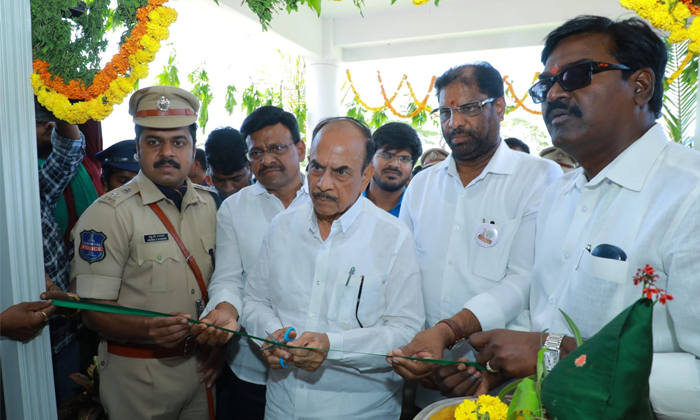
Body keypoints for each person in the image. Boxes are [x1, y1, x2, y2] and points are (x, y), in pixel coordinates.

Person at [441, 16, 700, 419]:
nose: (555, 95)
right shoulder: (559, 195)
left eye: (576, 75)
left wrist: (560, 359)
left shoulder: (689, 196)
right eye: (546, 86)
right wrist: (500, 366)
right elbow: (542, 316)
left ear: (640, 85)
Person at [387, 62, 562, 407]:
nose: (454, 123)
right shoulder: (421, 184)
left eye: (468, 108)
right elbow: (400, 276)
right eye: (445, 112)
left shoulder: (540, 178)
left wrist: (449, 332)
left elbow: (526, 279)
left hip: (501, 380)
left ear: (499, 106)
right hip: (426, 373)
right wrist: (419, 350)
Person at [239, 117, 425, 419]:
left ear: (366, 176)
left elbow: (405, 331)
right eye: (316, 168)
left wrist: (333, 346)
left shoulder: (393, 237)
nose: (323, 184)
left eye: (340, 172)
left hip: (359, 411)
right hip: (281, 407)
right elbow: (255, 301)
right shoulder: (283, 227)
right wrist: (270, 335)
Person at [72, 86, 222, 420]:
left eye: (178, 142)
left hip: (202, 370)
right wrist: (147, 329)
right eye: (154, 142)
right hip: (139, 374)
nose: (166, 152)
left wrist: (220, 348)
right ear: (138, 148)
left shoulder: (212, 205)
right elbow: (92, 312)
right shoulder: (108, 214)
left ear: (193, 149)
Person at [192, 106, 310, 420]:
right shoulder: (233, 208)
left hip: (319, 361)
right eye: (256, 152)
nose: (267, 159)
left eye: (277, 148)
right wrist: (226, 312)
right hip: (252, 367)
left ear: (300, 148)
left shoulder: (328, 196)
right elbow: (229, 277)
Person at [35, 99, 89, 404]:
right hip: (12, 336)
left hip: (62, 332)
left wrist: (59, 97)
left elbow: (70, 149)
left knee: (70, 407)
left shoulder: (33, 186)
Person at [364, 122, 422, 217]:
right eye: (387, 155)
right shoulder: (348, 202)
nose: (394, 165)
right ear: (370, 158)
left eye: (404, 159)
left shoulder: (419, 211)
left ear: (412, 165)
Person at [204, 127, 252, 200]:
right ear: (209, 172)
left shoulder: (270, 196)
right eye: (219, 180)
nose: (228, 189)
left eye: (237, 179)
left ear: (250, 167)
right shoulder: (205, 205)